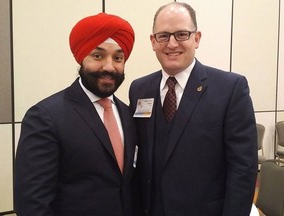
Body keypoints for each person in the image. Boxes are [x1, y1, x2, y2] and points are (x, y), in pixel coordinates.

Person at [129, 2, 258, 216]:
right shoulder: (139, 89)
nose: (171, 44)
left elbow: (243, 168)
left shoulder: (230, 89)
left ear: (196, 38)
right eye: (163, 36)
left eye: (181, 34)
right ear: (153, 41)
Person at [14, 13, 139, 216]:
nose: (109, 66)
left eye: (118, 58)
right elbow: (32, 204)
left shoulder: (128, 114)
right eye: (98, 56)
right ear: (82, 58)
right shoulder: (46, 117)